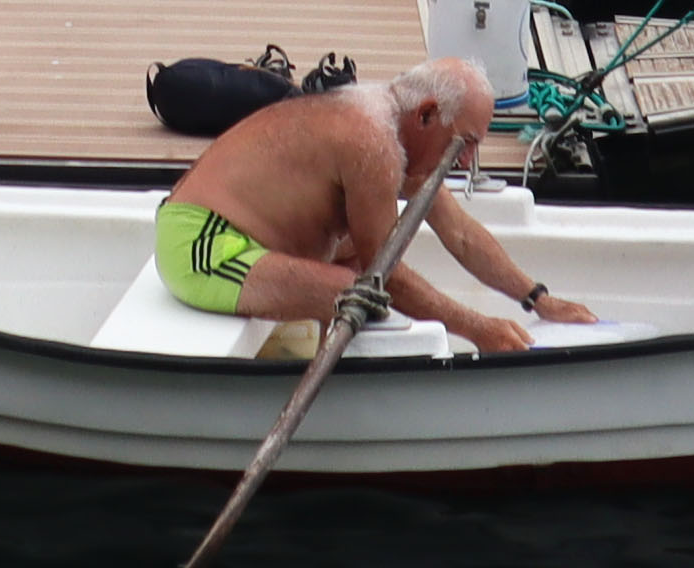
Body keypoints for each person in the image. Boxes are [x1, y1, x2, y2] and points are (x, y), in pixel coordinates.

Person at [154, 56, 593, 354]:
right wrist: (479, 330)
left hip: (262, 241)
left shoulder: (403, 131)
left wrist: (537, 298)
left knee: (356, 269)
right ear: (425, 116)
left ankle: (310, 357)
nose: (465, 161)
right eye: (466, 142)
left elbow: (460, 234)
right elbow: (387, 276)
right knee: (355, 294)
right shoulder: (373, 142)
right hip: (202, 243)